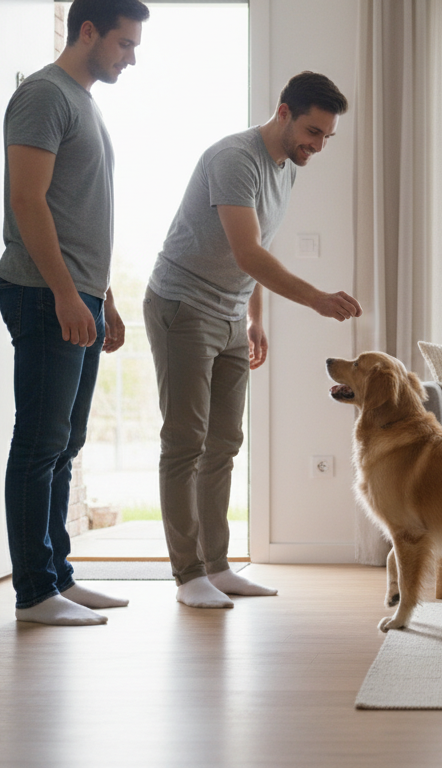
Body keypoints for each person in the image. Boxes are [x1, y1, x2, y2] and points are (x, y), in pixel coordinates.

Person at [144, 72, 362, 609]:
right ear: (284, 112)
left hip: (229, 312)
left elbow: (257, 249)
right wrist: (314, 298)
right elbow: (247, 253)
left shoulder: (287, 168)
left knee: (223, 444)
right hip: (183, 307)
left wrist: (254, 315)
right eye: (313, 131)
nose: (318, 145)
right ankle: (187, 574)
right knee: (184, 442)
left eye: (326, 137)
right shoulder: (234, 159)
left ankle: (217, 567)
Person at [0, 0, 150, 626]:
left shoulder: (83, 102)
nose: (131, 57)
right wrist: (63, 293)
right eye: (124, 44)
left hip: (78, 291)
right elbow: (28, 201)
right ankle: (34, 592)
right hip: (42, 291)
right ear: (88, 31)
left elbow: (79, 214)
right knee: (38, 443)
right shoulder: (44, 95)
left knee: (65, 443)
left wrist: (102, 295)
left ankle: (57, 576)